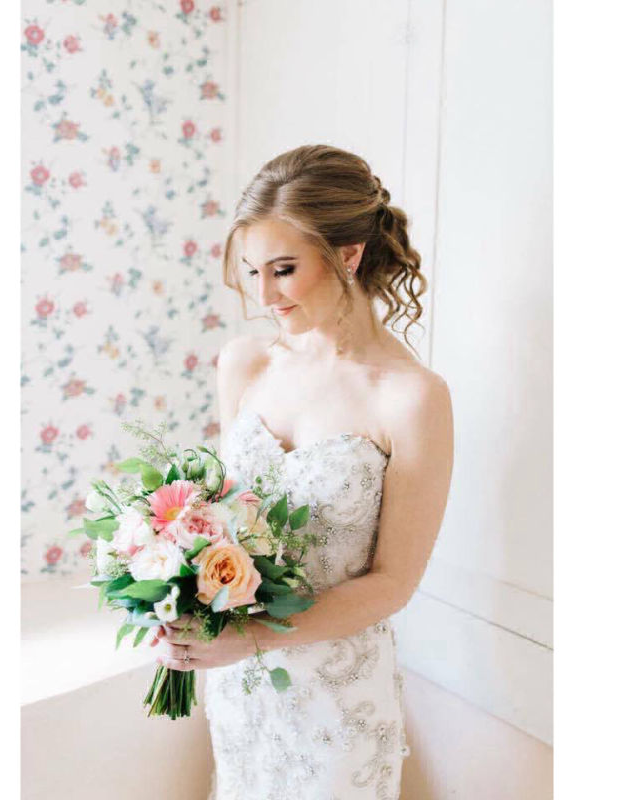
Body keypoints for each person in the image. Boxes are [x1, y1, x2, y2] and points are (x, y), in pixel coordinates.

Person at [155, 144, 453, 799]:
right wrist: (175, 596)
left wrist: (252, 639)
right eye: (252, 271)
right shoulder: (245, 364)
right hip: (239, 691)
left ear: (349, 255)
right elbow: (220, 522)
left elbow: (393, 583)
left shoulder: (410, 397)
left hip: (336, 704)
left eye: (283, 270)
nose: (263, 295)